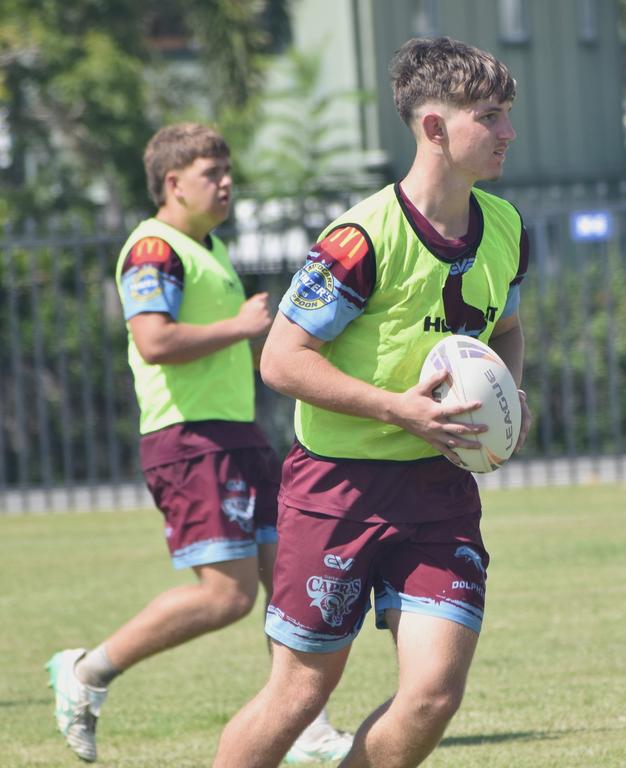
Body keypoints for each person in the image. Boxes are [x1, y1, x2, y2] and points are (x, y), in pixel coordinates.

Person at [212, 36, 530, 768]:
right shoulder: (360, 240)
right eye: (491, 115)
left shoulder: (506, 228)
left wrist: (513, 392)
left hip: (439, 489)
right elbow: (282, 359)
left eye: (508, 113)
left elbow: (506, 329)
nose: (508, 131)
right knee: (298, 694)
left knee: (432, 695)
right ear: (434, 127)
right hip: (338, 490)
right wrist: (400, 409)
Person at [46, 122, 352, 764]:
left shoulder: (203, 246)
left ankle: (307, 729)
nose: (226, 183)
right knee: (226, 596)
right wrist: (240, 326)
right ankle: (87, 671)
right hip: (189, 441)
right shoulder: (154, 249)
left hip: (236, 437)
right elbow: (154, 341)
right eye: (211, 173)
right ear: (171, 182)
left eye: (227, 170)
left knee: (286, 585)